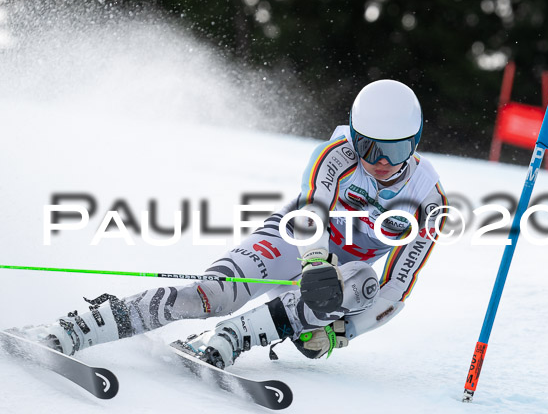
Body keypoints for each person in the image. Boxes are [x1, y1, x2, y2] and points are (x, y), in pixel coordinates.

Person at [20, 79, 449, 368]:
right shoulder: (336, 155)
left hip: (345, 272)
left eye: (394, 152)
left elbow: (398, 287)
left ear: (415, 143)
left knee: (361, 283)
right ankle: (81, 326)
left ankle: (234, 337)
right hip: (295, 243)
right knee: (213, 293)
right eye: (367, 147)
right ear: (352, 135)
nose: (378, 163)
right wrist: (316, 262)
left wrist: (343, 334)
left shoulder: (429, 202)